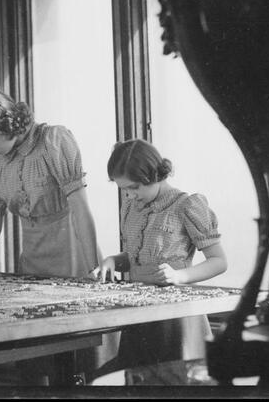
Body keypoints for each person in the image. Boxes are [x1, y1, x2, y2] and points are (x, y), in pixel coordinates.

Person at [0, 89, 99, 285]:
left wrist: (93, 268)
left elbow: (81, 209)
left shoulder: (52, 142)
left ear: (9, 126)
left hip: (74, 253)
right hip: (32, 261)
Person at [91, 138, 227, 369]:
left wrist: (179, 277)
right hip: (138, 315)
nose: (130, 195)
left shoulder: (187, 205)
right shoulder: (131, 207)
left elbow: (219, 262)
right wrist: (113, 261)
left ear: (154, 175)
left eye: (134, 187)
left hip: (176, 320)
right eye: (124, 189)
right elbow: (138, 256)